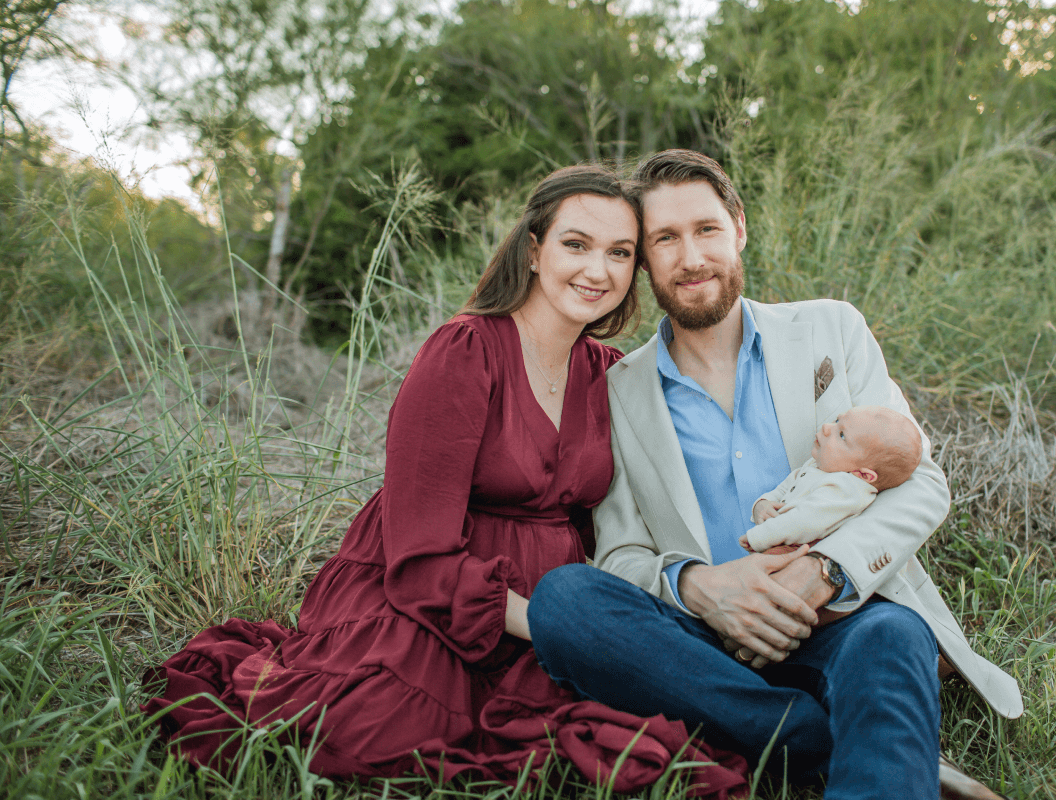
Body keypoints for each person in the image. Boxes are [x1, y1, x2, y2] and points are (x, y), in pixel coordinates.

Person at [142, 165, 747, 797]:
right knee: (382, 732)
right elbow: (419, 558)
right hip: (427, 598)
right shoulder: (465, 352)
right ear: (534, 250)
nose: (598, 270)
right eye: (576, 244)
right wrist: (552, 627)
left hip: (555, 598)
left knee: (649, 737)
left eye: (620, 253)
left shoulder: (611, 373)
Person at [527, 150, 1023, 800]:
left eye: (705, 229)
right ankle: (819, 738)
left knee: (894, 635)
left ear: (738, 226)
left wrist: (821, 574)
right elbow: (620, 554)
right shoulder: (617, 388)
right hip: (703, 636)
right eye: (665, 240)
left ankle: (830, 746)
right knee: (564, 602)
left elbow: (922, 482)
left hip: (845, 613)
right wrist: (702, 588)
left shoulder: (830, 329)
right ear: (645, 261)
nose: (692, 257)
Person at [741, 405, 922, 554]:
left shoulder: (846, 490)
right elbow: (786, 487)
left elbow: (804, 521)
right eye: (837, 421)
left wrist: (758, 537)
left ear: (864, 475)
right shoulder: (819, 466)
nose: (827, 428)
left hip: (797, 553)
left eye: (842, 435)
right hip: (780, 542)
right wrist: (764, 503)